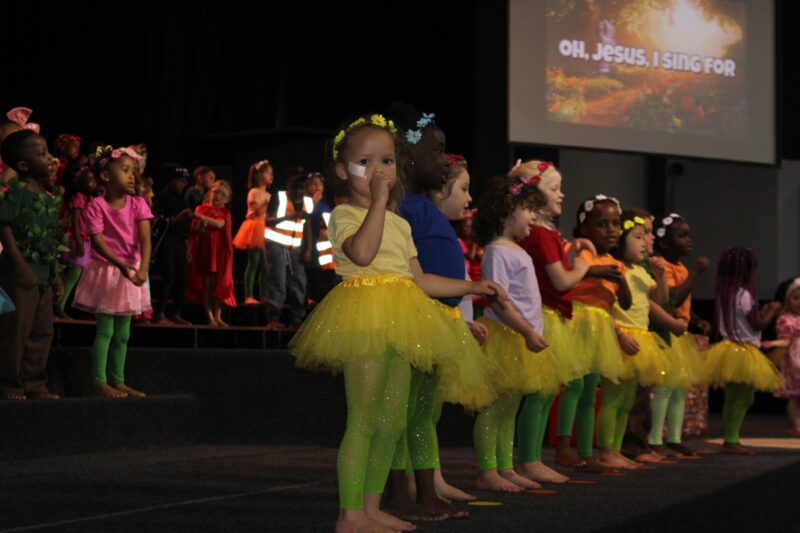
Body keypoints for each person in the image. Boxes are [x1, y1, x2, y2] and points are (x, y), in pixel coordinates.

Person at [288, 114, 504, 533]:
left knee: (392, 421)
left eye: (387, 160)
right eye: (365, 161)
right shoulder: (344, 214)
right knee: (365, 418)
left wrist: (473, 283)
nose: (379, 170)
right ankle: (349, 514)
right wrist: (381, 203)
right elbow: (364, 254)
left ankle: (370, 508)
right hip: (363, 318)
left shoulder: (402, 224)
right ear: (342, 170)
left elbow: (419, 280)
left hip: (404, 317)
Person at [471, 172, 570, 493]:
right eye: (528, 210)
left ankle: (505, 467)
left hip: (519, 337)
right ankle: (488, 470)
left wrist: (529, 332)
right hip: (505, 335)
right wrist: (527, 330)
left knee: (510, 407)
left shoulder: (516, 250)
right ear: (507, 210)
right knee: (494, 407)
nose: (533, 218)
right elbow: (498, 302)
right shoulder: (497, 252)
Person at [514, 159, 591, 483]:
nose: (562, 195)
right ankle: (529, 459)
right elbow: (560, 282)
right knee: (541, 391)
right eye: (554, 188)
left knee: (546, 391)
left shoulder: (547, 233)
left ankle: (533, 458)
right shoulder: (542, 235)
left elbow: (555, 272)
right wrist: (584, 265)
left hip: (551, 316)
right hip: (544, 317)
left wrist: (571, 255)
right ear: (532, 195)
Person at [596, 211, 679, 469]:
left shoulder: (642, 273)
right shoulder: (615, 269)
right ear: (621, 238)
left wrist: (661, 275)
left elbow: (661, 301)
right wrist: (620, 335)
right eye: (638, 237)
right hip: (620, 338)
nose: (646, 242)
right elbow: (604, 307)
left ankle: (617, 448)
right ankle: (604, 450)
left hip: (642, 340)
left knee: (626, 401)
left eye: (647, 236)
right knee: (612, 398)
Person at [72, 145, 152, 399]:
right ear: (106, 176)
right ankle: (100, 381)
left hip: (131, 271)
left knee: (124, 333)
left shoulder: (138, 204)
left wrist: (143, 268)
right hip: (108, 272)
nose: (132, 176)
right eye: (125, 170)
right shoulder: (96, 205)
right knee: (105, 330)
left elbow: (145, 239)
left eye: (134, 172)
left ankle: (119, 380)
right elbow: (97, 242)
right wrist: (121, 265)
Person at [559, 194, 632, 472]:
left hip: (601, 325)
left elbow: (624, 303)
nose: (612, 229)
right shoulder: (581, 249)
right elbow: (567, 271)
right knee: (574, 385)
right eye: (603, 224)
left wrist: (620, 279)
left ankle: (587, 453)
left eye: (616, 223)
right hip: (578, 319)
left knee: (591, 391)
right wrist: (597, 270)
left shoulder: (617, 264)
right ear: (585, 227)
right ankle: (564, 447)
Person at [0, 130, 65, 400]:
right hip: (19, 274)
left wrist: (57, 276)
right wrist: (20, 264)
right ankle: (9, 383)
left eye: (48, 151)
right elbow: (4, 228)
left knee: (42, 330)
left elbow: (50, 242)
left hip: (44, 274)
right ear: (24, 166)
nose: (49, 158)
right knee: (17, 330)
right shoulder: (17, 195)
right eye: (41, 154)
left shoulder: (47, 199)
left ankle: (34, 382)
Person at [705, 247, 782, 454]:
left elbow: (745, 320)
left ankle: (731, 437)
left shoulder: (726, 294)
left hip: (729, 350)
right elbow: (757, 325)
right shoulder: (744, 294)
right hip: (743, 351)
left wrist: (763, 311)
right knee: (743, 397)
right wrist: (772, 312)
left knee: (735, 397)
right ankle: (731, 439)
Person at [648, 213, 709, 457]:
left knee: (679, 388)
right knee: (664, 386)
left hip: (680, 333)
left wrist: (696, 320)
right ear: (664, 243)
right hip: (665, 331)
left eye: (689, 235)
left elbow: (683, 305)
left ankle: (674, 438)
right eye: (682, 236)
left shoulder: (681, 267)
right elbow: (672, 298)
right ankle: (654, 439)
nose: (689, 240)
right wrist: (696, 272)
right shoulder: (663, 267)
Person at [264, 173, 312, 329]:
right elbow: (267, 220)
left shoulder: (307, 202)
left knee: (299, 282)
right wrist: (288, 217)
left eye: (302, 188)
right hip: (276, 243)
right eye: (296, 187)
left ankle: (296, 319)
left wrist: (308, 249)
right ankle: (273, 318)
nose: (299, 191)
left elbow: (307, 225)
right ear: (288, 187)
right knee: (277, 280)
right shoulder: (279, 198)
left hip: (295, 248)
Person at [186, 180, 236, 327]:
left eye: (223, 194)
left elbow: (220, 224)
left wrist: (199, 217)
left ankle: (218, 315)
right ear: (210, 193)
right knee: (207, 284)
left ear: (227, 199)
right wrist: (200, 225)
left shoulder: (225, 212)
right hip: (206, 250)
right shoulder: (201, 208)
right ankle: (210, 317)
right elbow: (195, 230)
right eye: (216, 192)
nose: (218, 196)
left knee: (219, 283)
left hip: (220, 252)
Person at [151, 165, 194, 325]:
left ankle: (176, 312)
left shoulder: (183, 201)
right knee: (169, 275)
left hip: (179, 242)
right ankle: (159, 313)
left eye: (184, 182)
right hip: (166, 240)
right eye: (179, 181)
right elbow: (157, 222)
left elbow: (185, 228)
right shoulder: (161, 198)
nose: (183, 184)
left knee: (182, 277)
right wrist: (178, 217)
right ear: (169, 181)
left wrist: (187, 246)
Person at [56, 163, 98, 319]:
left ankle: (63, 305)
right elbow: (74, 222)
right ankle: (59, 306)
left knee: (76, 277)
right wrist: (79, 243)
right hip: (78, 240)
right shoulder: (79, 198)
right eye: (89, 181)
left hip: (86, 240)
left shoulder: (91, 198)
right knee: (73, 276)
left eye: (94, 180)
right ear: (79, 184)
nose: (93, 184)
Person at [233, 160, 272, 305]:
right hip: (254, 227)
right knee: (253, 262)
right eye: (268, 173)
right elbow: (258, 211)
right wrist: (268, 202)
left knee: (265, 264)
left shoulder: (268, 193)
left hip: (265, 227)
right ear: (259, 175)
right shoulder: (254, 192)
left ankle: (264, 295)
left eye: (271, 173)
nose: (271, 176)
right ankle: (248, 295)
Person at [771, 278, 800, 435]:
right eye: (796, 298)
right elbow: (785, 340)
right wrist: (774, 344)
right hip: (794, 361)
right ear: (788, 299)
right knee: (795, 396)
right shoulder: (785, 319)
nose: (799, 302)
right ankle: (795, 426)